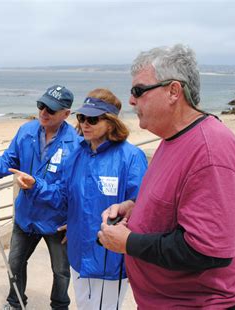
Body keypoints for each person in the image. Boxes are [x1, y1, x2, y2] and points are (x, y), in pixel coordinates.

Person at [98, 44, 235, 309]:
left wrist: (129, 243)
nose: (131, 100)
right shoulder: (173, 139)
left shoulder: (210, 149)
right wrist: (134, 209)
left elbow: (208, 250)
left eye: (138, 91)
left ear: (174, 91)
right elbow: (179, 205)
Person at [0, 85, 80, 309]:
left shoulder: (76, 144)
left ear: (66, 114)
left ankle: (60, 306)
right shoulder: (26, 131)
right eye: (41, 105)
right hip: (26, 216)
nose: (43, 112)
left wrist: (36, 186)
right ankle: (15, 303)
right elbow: (8, 161)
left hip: (56, 222)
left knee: (60, 271)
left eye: (51, 109)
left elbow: (70, 191)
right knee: (15, 264)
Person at [61, 89, 147, 309]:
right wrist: (35, 186)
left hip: (110, 257)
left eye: (92, 119)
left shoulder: (131, 157)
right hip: (79, 253)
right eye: (81, 118)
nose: (85, 124)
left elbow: (141, 206)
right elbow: (63, 195)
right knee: (83, 305)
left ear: (110, 122)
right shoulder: (77, 154)